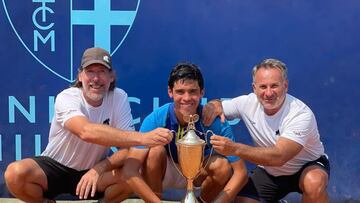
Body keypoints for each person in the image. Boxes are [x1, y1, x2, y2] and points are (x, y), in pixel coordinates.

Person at [4, 47, 173, 203]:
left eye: (102, 72)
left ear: (111, 76)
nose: (96, 78)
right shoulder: (67, 97)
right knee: (15, 174)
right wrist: (143, 138)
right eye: (90, 71)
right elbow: (86, 131)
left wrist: (99, 168)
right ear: (80, 76)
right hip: (55, 167)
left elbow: (127, 149)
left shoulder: (119, 97)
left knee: (135, 174)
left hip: (95, 173)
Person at [202, 58, 330, 202]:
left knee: (314, 183)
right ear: (254, 88)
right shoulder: (246, 103)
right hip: (269, 171)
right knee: (241, 201)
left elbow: (279, 156)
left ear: (285, 86)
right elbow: (217, 104)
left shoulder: (300, 114)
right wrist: (213, 105)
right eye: (263, 87)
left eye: (274, 86)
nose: (268, 93)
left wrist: (234, 149)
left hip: (306, 166)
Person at [121, 62, 248, 203]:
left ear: (202, 93)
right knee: (155, 151)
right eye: (180, 91)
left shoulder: (215, 123)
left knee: (222, 166)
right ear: (170, 92)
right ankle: (156, 198)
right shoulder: (158, 118)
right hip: (165, 173)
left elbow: (241, 173)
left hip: (198, 175)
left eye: (192, 91)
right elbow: (129, 171)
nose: (186, 98)